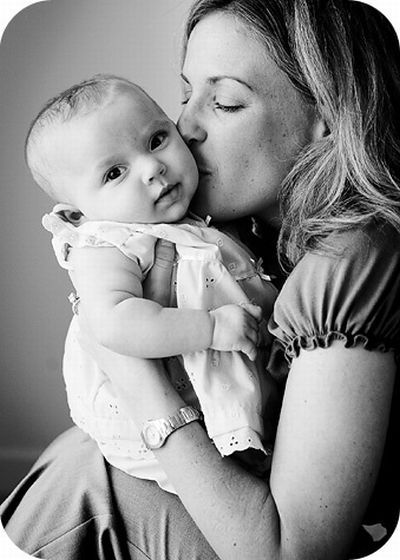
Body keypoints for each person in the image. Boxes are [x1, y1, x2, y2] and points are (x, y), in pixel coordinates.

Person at [1, 0, 399, 559]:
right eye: (186, 93)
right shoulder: (239, 235)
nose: (185, 127)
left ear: (326, 115)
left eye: (226, 101)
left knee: (83, 480)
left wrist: (138, 382)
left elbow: (291, 551)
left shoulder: (351, 259)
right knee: (76, 461)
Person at [26, 74, 278, 492]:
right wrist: (212, 327)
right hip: (150, 422)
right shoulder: (108, 241)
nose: (152, 167)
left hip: (218, 390)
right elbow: (114, 322)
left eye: (157, 139)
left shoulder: (196, 218)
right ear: (77, 215)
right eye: (114, 173)